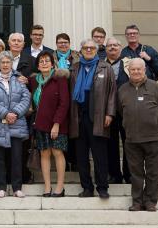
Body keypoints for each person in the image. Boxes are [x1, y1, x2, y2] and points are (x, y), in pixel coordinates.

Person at [118, 58, 158, 212]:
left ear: (144, 69)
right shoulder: (122, 90)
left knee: (153, 172)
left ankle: (151, 201)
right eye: (133, 69)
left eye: (139, 69)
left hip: (153, 137)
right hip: (132, 139)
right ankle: (137, 201)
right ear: (129, 71)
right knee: (136, 173)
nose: (136, 72)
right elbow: (121, 111)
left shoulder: (156, 87)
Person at [69, 39, 116, 199]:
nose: (88, 50)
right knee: (81, 157)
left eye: (91, 48)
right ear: (81, 50)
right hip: (79, 118)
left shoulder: (106, 67)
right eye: (85, 48)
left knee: (100, 155)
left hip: (98, 117)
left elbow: (112, 93)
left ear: (96, 50)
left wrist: (109, 113)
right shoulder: (74, 68)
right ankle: (87, 188)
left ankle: (102, 187)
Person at [0, 51, 31, 198]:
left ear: (12, 64)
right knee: (0, 158)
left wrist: (15, 113)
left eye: (8, 62)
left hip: (17, 123)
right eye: (2, 62)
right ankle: (2, 187)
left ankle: (17, 187)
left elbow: (26, 98)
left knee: (17, 157)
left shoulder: (20, 79)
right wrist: (5, 114)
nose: (5, 65)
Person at [29, 51, 70, 197]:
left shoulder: (59, 79)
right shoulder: (34, 81)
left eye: (47, 61)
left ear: (53, 64)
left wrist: (57, 123)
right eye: (41, 61)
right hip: (40, 123)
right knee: (44, 153)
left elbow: (64, 103)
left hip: (57, 124)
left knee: (57, 152)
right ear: (38, 66)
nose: (44, 63)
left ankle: (60, 187)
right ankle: (47, 187)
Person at [105, 37, 131, 184]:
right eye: (109, 46)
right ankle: (114, 174)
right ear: (106, 48)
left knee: (129, 143)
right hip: (108, 112)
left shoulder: (128, 63)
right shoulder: (100, 64)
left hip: (126, 111)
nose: (112, 48)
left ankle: (129, 174)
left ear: (121, 48)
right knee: (110, 144)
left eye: (115, 45)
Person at [52, 33, 80, 172]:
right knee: (61, 129)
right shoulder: (50, 57)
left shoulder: (77, 56)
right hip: (57, 97)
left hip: (75, 96)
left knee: (74, 129)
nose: (63, 45)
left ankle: (74, 161)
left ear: (69, 43)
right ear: (56, 44)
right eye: (60, 42)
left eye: (65, 42)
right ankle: (63, 161)